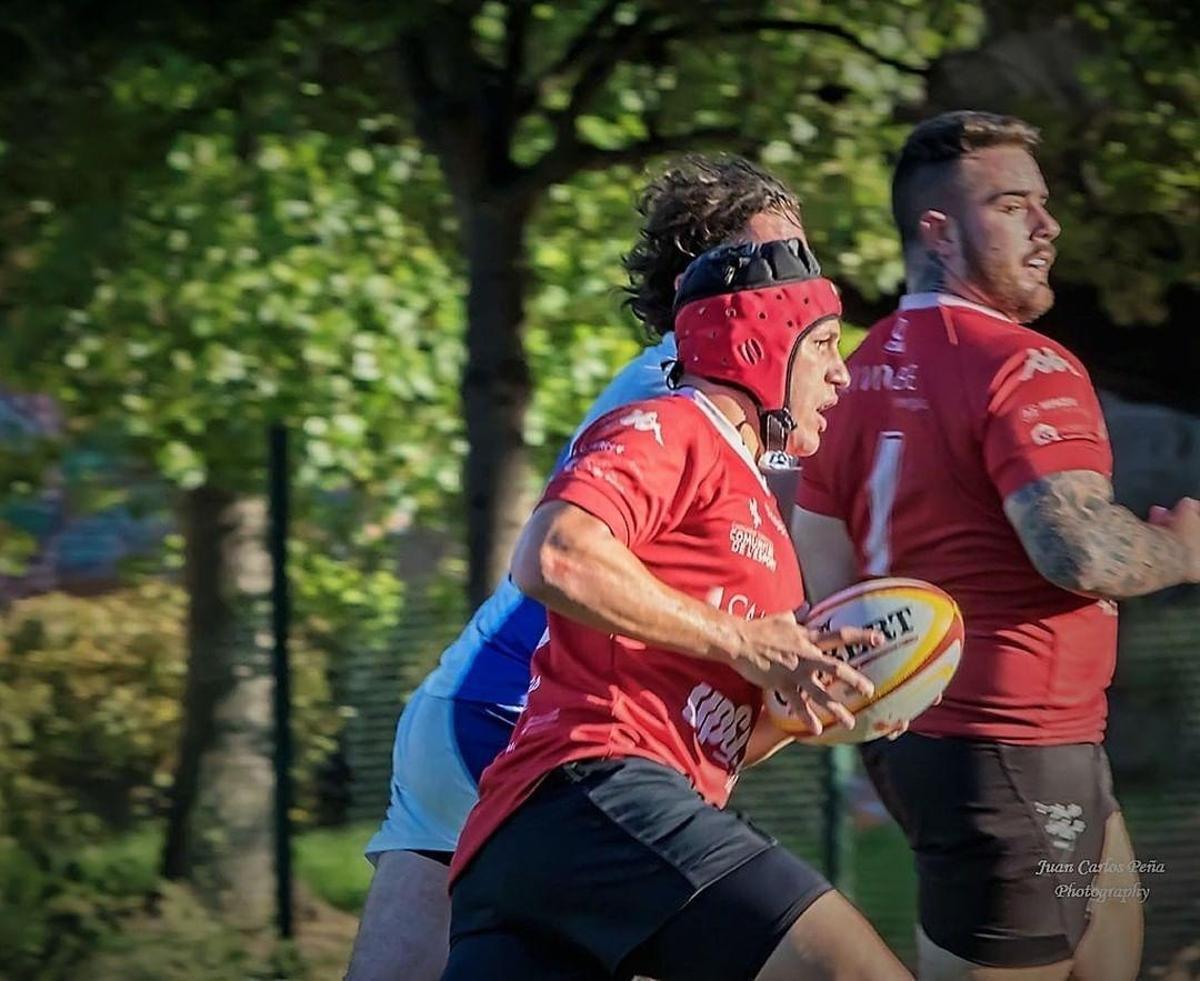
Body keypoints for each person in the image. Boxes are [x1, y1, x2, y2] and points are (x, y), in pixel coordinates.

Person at [345, 156, 817, 981]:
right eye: (785, 253)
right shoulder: (692, 392)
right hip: (525, 725)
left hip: (466, 713)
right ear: (715, 272)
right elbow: (564, 556)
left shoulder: (698, 390)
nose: (806, 280)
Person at [791, 110, 1200, 980]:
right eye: (1013, 205)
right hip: (1016, 755)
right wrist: (1182, 551)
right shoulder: (1026, 364)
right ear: (938, 231)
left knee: (1116, 960)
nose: (1046, 226)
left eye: (1043, 205)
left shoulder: (853, 374)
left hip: (950, 747)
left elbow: (819, 569)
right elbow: (1080, 554)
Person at [440, 238, 912, 981]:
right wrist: (744, 641)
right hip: (592, 795)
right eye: (822, 345)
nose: (841, 373)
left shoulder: (762, 518)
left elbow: (725, 732)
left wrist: (821, 702)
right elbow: (555, 553)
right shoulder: (673, 426)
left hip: (541, 849)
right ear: (762, 343)